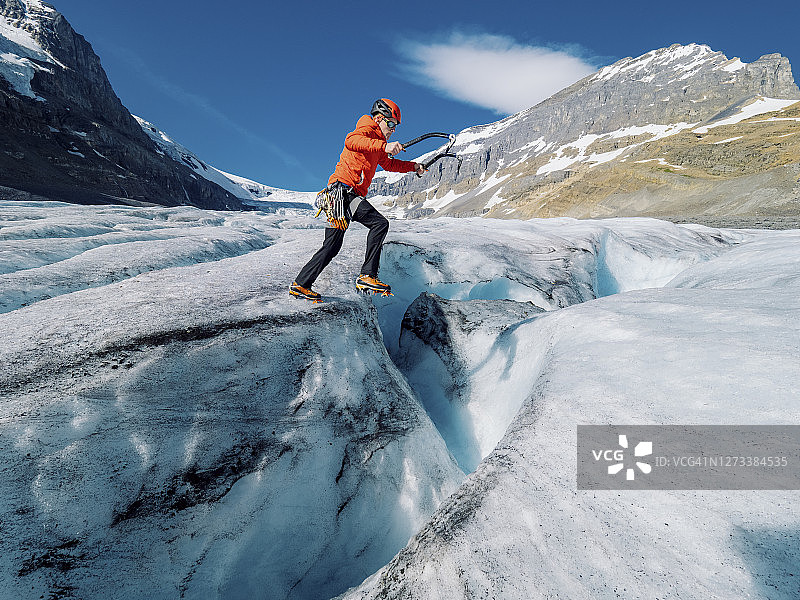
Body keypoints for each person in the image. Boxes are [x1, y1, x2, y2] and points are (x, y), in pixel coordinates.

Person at [289, 98, 426, 301]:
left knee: (332, 245)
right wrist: (384, 146)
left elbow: (389, 165)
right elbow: (351, 141)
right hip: (343, 192)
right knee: (379, 224)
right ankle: (368, 276)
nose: (393, 129)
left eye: (395, 126)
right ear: (379, 118)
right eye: (391, 124)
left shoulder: (377, 145)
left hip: (341, 196)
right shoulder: (366, 126)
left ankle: (301, 284)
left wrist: (414, 166)